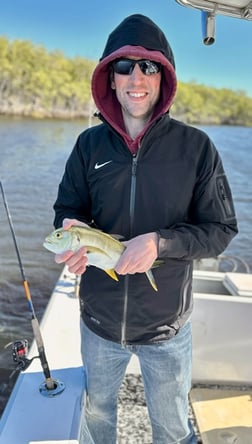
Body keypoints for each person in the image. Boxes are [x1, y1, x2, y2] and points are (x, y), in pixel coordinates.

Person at [53, 14, 238, 444]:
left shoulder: (197, 148)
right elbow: (66, 209)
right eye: (124, 67)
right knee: (97, 418)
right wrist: (71, 237)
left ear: (163, 77)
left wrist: (160, 243)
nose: (136, 77)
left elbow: (221, 229)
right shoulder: (88, 145)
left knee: (172, 429)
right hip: (98, 322)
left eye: (148, 66)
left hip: (166, 327)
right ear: (110, 79)